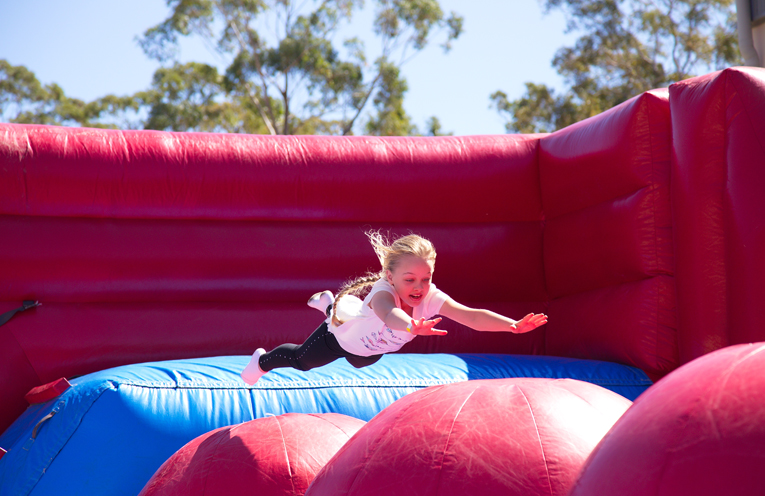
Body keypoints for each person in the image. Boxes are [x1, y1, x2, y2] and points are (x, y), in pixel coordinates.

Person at [241, 231, 548, 384]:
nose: (419, 287)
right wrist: (412, 326)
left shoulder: (429, 297)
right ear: (390, 276)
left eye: (425, 279)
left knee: (361, 360)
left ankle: (332, 305)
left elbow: (469, 315)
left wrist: (511, 325)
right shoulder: (382, 292)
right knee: (302, 361)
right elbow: (391, 314)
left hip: (369, 352)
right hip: (340, 339)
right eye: (410, 279)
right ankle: (262, 361)